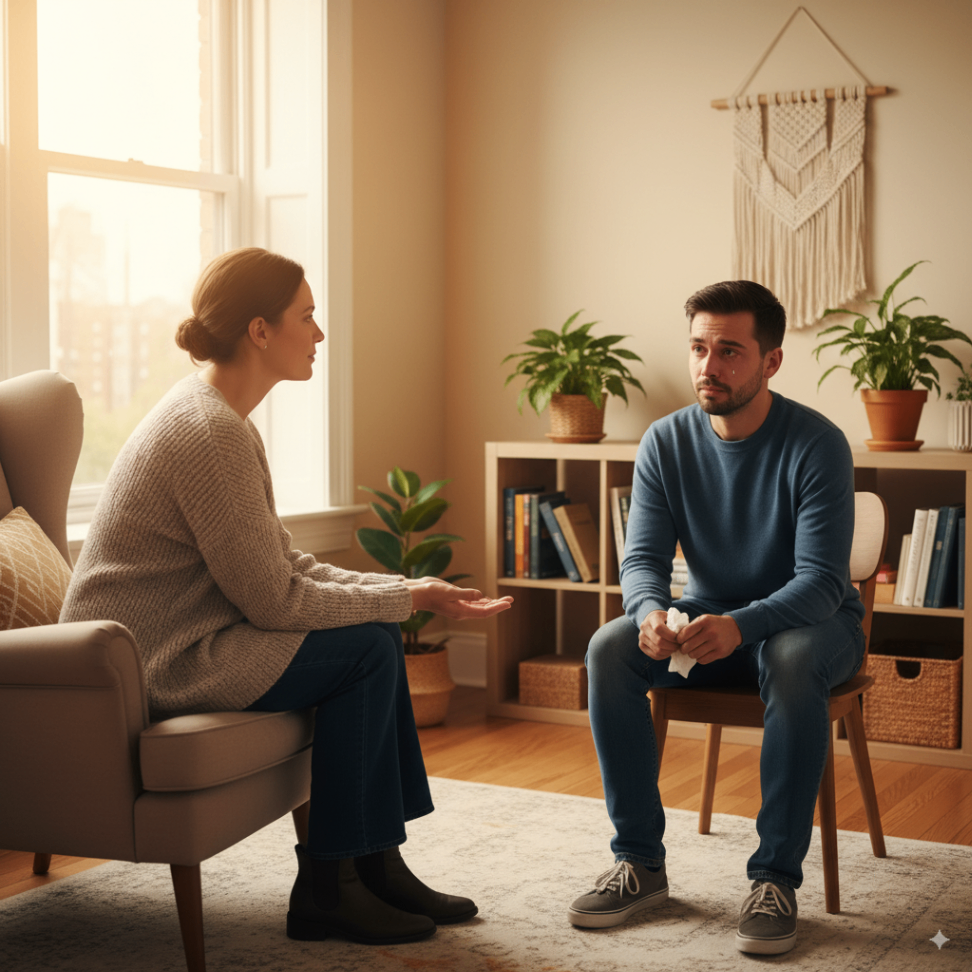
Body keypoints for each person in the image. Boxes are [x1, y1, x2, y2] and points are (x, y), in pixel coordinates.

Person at [60, 247, 514, 947]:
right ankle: (330, 887)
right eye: (307, 316)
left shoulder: (223, 421)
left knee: (377, 631)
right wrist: (399, 601)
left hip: (191, 639)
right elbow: (275, 601)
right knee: (367, 644)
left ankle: (374, 864)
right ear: (258, 330)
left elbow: (282, 564)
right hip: (153, 663)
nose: (320, 334)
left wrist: (408, 590)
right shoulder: (207, 431)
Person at [567, 280, 865, 955]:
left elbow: (820, 584)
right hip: (712, 620)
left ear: (771, 361)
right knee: (610, 648)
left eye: (730, 350)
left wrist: (741, 625)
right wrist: (647, 614)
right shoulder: (666, 442)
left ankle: (774, 880)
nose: (709, 366)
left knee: (788, 658)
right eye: (700, 348)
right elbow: (641, 559)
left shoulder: (818, 444)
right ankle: (640, 865)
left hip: (816, 627)